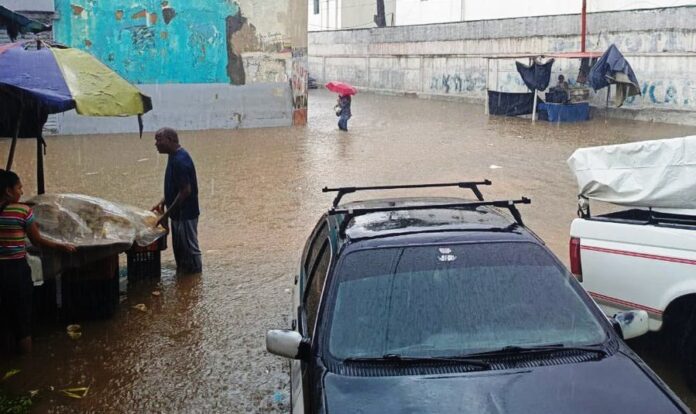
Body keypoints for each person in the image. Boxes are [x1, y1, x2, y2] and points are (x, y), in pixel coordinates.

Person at [0, 170, 76, 354]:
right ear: (9, 191)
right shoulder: (22, 211)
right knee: (22, 320)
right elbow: (37, 241)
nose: (22, 191)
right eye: (19, 187)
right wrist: (62, 246)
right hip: (16, 270)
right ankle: (27, 366)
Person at [152, 127, 202, 274]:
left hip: (185, 214)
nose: (156, 144)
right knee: (180, 249)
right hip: (178, 214)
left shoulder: (180, 160)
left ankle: (194, 280)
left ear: (170, 140)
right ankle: (184, 280)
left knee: (190, 249)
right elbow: (177, 186)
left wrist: (165, 216)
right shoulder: (174, 156)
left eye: (158, 140)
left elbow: (185, 191)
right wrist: (163, 201)